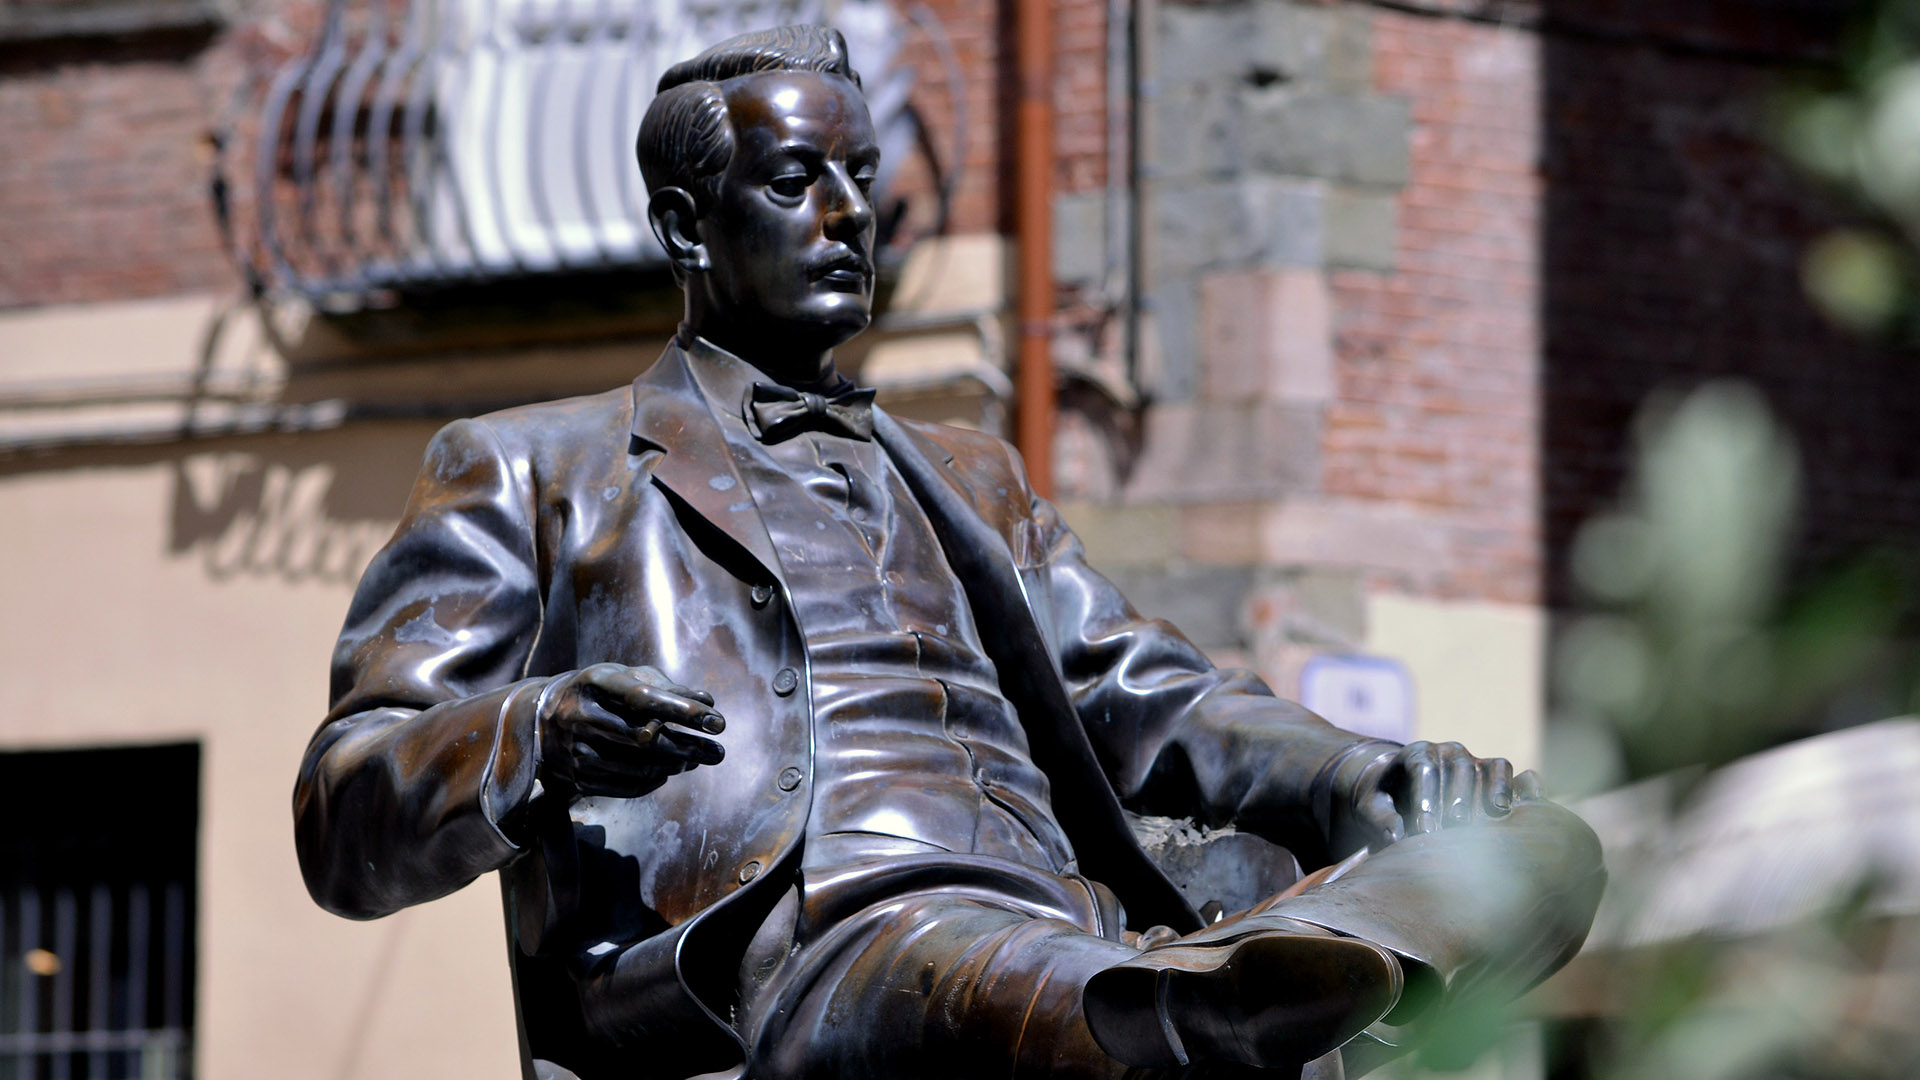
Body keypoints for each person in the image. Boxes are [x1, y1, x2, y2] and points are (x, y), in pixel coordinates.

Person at [294, 25, 1602, 1080]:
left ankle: (1245, 986)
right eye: (798, 182)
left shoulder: (971, 473)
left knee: (1532, 841)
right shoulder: (531, 468)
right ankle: (1222, 1005)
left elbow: (1148, 688)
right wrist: (536, 732)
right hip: (812, 940)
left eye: (864, 177)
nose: (850, 214)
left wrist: (1358, 773)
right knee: (972, 960)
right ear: (690, 230)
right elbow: (345, 814)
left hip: (1070, 920)